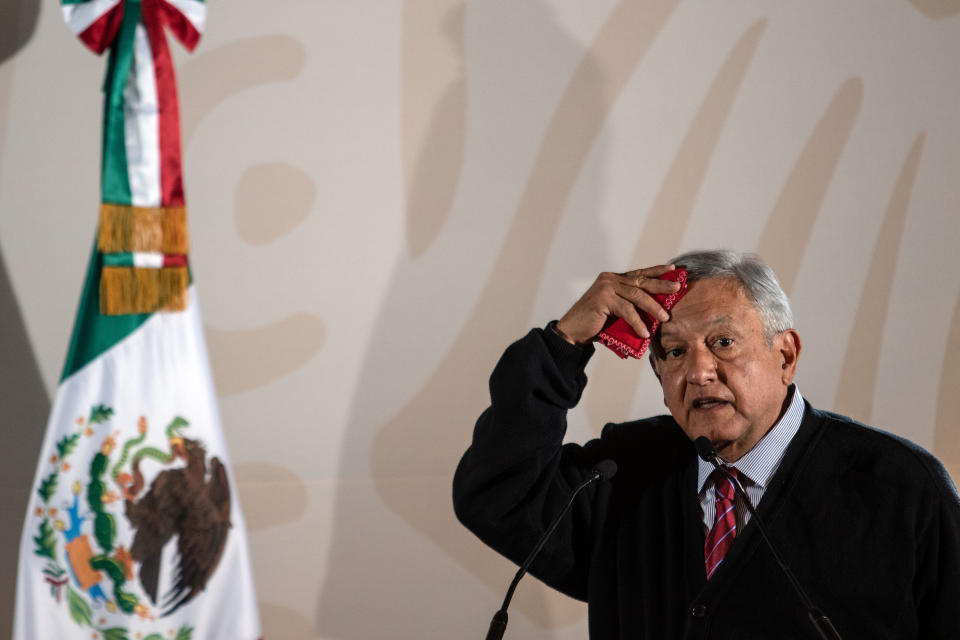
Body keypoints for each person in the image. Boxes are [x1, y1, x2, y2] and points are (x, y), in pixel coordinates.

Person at [453, 249, 960, 639]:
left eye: (722, 342)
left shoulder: (902, 488)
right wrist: (563, 346)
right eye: (673, 352)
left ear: (785, 355)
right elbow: (500, 491)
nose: (697, 372)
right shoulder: (621, 471)